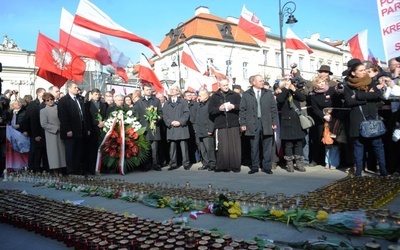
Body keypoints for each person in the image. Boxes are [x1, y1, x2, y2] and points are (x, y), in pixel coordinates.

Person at [343, 62, 388, 176]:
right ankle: (358, 171)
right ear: (353, 72)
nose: (364, 72)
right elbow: (349, 102)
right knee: (358, 146)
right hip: (357, 119)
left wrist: (358, 96)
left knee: (378, 145)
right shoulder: (348, 86)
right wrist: (367, 97)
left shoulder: (371, 82)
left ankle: (383, 171)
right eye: (361, 70)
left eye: (365, 70)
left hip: (372, 118)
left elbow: (377, 96)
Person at [240, 74, 278, 174]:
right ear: (253, 82)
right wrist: (243, 123)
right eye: (260, 81)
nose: (263, 82)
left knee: (267, 145)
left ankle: (267, 166)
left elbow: (273, 109)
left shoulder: (268, 93)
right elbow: (242, 110)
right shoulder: (246, 94)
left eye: (263, 81)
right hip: (252, 122)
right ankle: (254, 166)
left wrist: (274, 122)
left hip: (266, 122)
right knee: (254, 146)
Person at [308, 76, 346, 170]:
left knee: (335, 142)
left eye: (323, 82)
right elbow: (315, 108)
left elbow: (338, 104)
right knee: (325, 141)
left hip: (334, 119)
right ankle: (326, 161)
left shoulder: (332, 91)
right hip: (322, 120)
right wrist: (323, 116)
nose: (321, 84)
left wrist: (332, 115)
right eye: (319, 82)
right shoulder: (314, 95)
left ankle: (334, 162)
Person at [208, 79, 241, 172]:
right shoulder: (214, 96)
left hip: (233, 123)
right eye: (224, 85)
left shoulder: (235, 95)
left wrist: (234, 106)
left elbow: (242, 106)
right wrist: (219, 108)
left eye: (227, 85)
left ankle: (235, 166)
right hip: (221, 124)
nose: (226, 87)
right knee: (223, 147)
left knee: (234, 146)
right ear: (219, 86)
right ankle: (223, 166)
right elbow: (210, 110)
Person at [58, 81, 89, 175]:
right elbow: (63, 116)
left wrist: (86, 128)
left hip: (80, 129)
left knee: (79, 151)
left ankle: (78, 169)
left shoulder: (79, 99)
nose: (77, 89)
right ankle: (70, 170)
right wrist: (68, 129)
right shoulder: (63, 100)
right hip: (71, 130)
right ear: (69, 88)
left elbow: (84, 114)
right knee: (70, 151)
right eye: (75, 87)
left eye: (77, 88)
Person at [275, 78, 307, 172]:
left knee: (298, 142)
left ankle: (299, 163)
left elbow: (303, 98)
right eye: (286, 83)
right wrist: (285, 89)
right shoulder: (281, 93)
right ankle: (289, 164)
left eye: (289, 83)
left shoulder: (294, 92)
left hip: (297, 120)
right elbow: (280, 100)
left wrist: (294, 90)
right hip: (287, 121)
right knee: (288, 143)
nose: (289, 84)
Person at [133, 83, 163, 171]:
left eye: (150, 90)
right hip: (144, 128)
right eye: (147, 90)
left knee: (155, 148)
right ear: (143, 91)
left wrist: (156, 119)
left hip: (154, 128)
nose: (149, 91)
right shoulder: (139, 102)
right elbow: (136, 115)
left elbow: (161, 113)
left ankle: (155, 164)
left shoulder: (156, 101)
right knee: (145, 148)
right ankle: (146, 165)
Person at [162, 85, 191, 170]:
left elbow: (186, 113)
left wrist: (180, 122)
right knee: (172, 147)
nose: (172, 91)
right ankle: (173, 164)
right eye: (171, 90)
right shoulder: (167, 103)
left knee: (184, 147)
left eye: (174, 90)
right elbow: (164, 115)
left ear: (178, 92)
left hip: (181, 127)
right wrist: (170, 122)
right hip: (171, 127)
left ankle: (186, 163)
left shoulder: (183, 102)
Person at [22, 87, 48, 173]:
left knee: (44, 151)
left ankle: (44, 168)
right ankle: (32, 167)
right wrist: (25, 129)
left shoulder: (45, 103)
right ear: (38, 93)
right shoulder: (33, 104)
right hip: (34, 130)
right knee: (34, 151)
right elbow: (27, 118)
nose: (44, 94)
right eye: (43, 92)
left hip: (44, 131)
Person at [39, 93, 66, 174]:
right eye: (47, 100)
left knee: (62, 153)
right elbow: (44, 124)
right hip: (52, 134)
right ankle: (55, 171)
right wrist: (56, 128)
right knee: (54, 153)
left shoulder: (59, 108)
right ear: (44, 102)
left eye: (51, 99)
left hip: (62, 133)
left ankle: (63, 170)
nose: (50, 101)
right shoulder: (43, 111)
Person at [85, 88, 107, 174]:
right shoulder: (87, 105)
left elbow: (105, 114)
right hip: (93, 128)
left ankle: (102, 168)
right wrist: (97, 122)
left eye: (98, 95)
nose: (97, 96)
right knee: (92, 149)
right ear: (92, 94)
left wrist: (104, 122)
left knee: (102, 147)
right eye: (95, 94)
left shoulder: (103, 105)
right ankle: (92, 168)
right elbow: (88, 117)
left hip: (102, 128)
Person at [195, 89, 216, 171]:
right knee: (202, 149)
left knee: (209, 149)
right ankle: (206, 163)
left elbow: (211, 119)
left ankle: (212, 164)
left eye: (200, 96)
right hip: (200, 130)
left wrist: (210, 129)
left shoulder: (209, 104)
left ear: (205, 96)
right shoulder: (200, 104)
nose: (198, 97)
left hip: (207, 130)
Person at [183, 90, 200, 164]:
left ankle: (199, 158)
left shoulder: (196, 104)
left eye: (190, 95)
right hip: (186, 126)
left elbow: (197, 116)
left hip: (194, 125)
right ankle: (190, 159)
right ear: (184, 97)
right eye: (188, 95)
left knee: (197, 142)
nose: (190, 96)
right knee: (188, 143)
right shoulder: (183, 105)